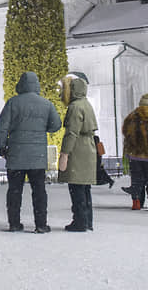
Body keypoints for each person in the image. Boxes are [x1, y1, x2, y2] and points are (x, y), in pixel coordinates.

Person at [0, 71, 62, 233]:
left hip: (16, 153)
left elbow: (2, 126)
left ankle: (14, 223)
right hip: (37, 156)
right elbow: (56, 125)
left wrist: (2, 146)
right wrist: (40, 129)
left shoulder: (12, 103)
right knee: (39, 191)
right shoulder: (46, 104)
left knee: (14, 191)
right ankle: (40, 224)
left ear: (21, 85)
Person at [57, 74, 98, 232]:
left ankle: (79, 221)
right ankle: (87, 220)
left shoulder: (75, 107)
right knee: (84, 187)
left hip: (78, 149)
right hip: (88, 148)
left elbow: (71, 133)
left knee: (76, 187)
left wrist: (64, 154)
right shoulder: (86, 104)